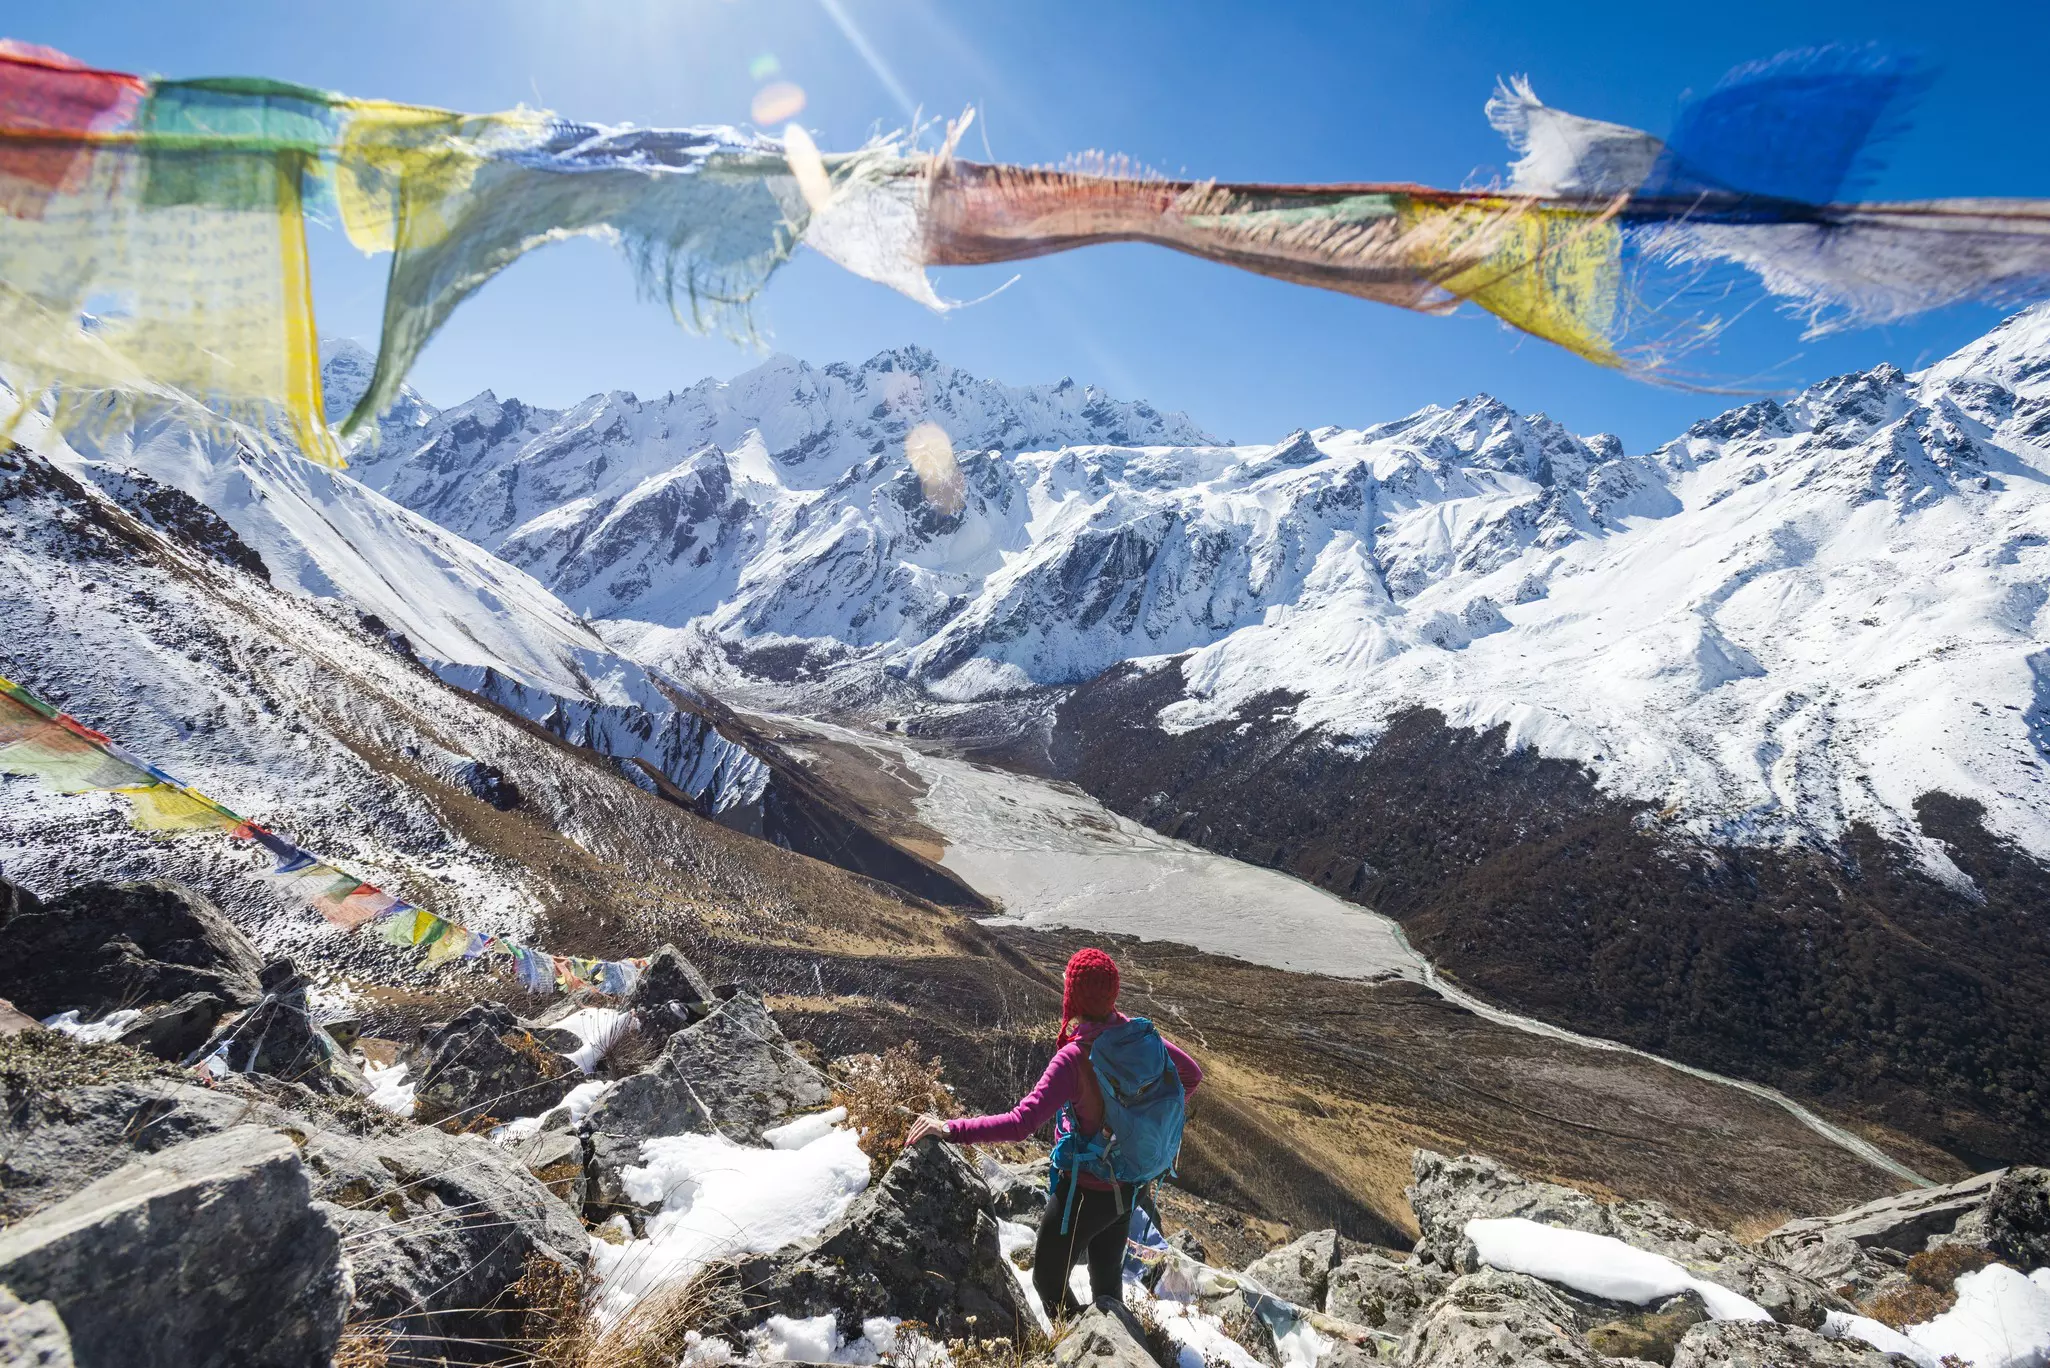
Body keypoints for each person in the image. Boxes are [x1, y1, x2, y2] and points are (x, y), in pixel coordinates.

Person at [906, 947, 1203, 1319]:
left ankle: (1083, 1344)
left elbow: (1021, 1123)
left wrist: (952, 1129)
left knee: (1047, 1282)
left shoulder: (1074, 1059)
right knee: (1108, 1286)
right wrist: (1143, 1118)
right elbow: (1190, 1075)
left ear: (1074, 999)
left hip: (1084, 1194)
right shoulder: (1138, 1039)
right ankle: (1114, 1342)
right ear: (1112, 993)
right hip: (1129, 1186)